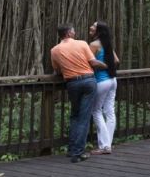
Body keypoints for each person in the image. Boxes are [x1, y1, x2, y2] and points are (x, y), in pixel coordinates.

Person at [50, 23, 107, 163]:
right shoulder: (82, 44)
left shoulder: (54, 50)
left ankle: (71, 149)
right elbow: (93, 62)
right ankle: (78, 153)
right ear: (69, 33)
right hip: (88, 81)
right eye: (73, 31)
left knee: (75, 116)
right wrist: (107, 66)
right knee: (84, 118)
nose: (75, 33)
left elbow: (57, 70)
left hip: (72, 84)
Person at [88, 20, 119, 155]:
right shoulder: (107, 44)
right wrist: (108, 65)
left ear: (98, 31)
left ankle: (104, 146)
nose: (91, 27)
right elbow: (116, 61)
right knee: (109, 112)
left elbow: (88, 61)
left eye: (94, 26)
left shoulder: (94, 45)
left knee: (96, 111)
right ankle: (108, 144)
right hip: (112, 80)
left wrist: (99, 66)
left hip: (101, 81)